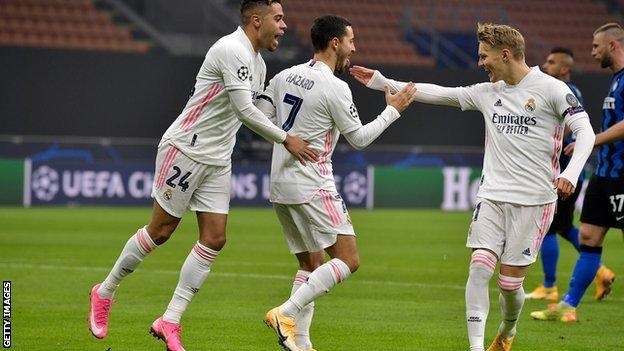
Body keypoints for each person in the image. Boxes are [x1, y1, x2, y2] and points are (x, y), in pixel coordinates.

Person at [87, 1, 318, 350]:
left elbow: (255, 108)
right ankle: (104, 291)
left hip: (217, 159)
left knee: (215, 238)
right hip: (186, 150)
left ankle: (170, 320)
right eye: (278, 18)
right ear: (257, 20)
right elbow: (244, 110)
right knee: (161, 231)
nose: (284, 26)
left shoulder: (256, 62)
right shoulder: (231, 49)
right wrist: (287, 139)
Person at [350, 23, 595, 351]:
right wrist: (383, 82)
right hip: (491, 196)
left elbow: (586, 132)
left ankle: (507, 332)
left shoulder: (550, 89)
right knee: (479, 268)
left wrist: (572, 173)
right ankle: (476, 348)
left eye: (484, 56)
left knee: (510, 285)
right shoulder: (488, 93)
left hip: (535, 201)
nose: (480, 62)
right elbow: (439, 93)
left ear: (505, 54)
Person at [257, 15, 416, 351]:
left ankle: (301, 342)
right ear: (335, 43)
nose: (353, 48)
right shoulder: (334, 86)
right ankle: (285, 313)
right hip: (313, 183)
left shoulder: (284, 75)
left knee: (310, 264)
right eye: (351, 41)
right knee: (349, 259)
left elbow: (261, 115)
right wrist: (393, 111)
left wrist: (288, 135)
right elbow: (358, 139)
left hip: (280, 184)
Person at [531, 22, 624, 323]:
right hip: (604, 173)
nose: (593, 52)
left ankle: (555, 291)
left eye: (597, 46)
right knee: (587, 235)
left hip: (623, 175)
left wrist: (593, 139)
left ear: (613, 46)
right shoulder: (615, 80)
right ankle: (567, 306)